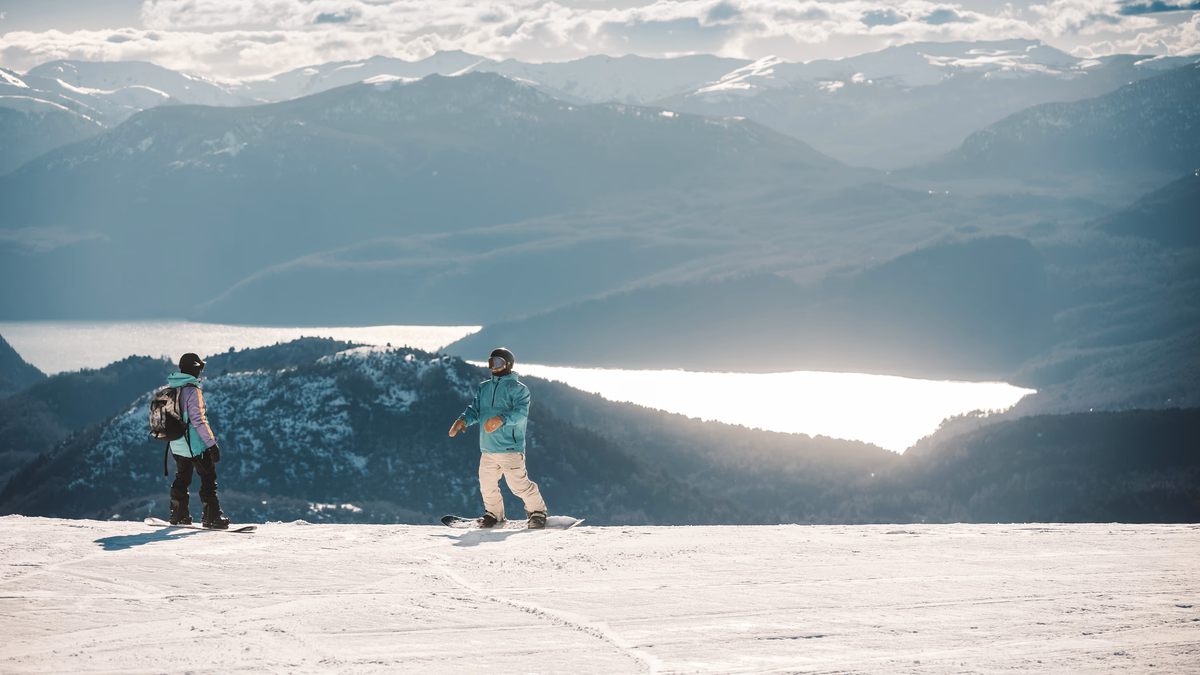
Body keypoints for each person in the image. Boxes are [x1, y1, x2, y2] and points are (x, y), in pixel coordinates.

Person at [449, 347, 548, 529]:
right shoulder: (484, 388)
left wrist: (500, 419)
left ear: (508, 365)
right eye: (491, 362)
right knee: (487, 485)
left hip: (509, 447)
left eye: (497, 362)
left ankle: (537, 512)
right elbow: (476, 410)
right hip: (488, 449)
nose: (493, 366)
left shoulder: (519, 390)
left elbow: (520, 414)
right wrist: (463, 420)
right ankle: (494, 515)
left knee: (518, 485)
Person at [166, 353, 229, 529]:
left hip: (176, 445)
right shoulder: (192, 391)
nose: (200, 372)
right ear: (195, 369)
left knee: (182, 478)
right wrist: (212, 444)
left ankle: (178, 514)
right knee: (208, 478)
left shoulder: (171, 389)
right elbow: (199, 421)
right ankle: (211, 517)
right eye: (200, 368)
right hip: (195, 445)